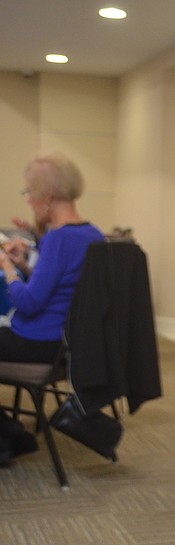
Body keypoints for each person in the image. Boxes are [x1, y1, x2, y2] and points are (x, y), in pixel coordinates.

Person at [0, 153, 104, 465]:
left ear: (46, 197)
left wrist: (7, 268)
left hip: (38, 341)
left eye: (29, 192)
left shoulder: (58, 238)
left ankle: (8, 434)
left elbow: (29, 303)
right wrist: (24, 267)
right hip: (64, 346)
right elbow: (59, 287)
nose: (28, 200)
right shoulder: (91, 233)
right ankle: (10, 433)